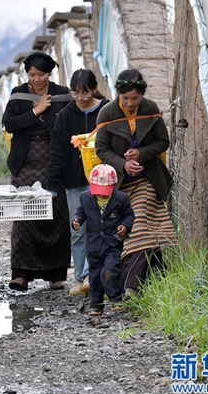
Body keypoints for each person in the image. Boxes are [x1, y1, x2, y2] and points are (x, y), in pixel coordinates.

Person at [95, 68, 176, 297]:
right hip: (120, 183)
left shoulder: (150, 109)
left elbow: (163, 141)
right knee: (145, 231)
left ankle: (130, 286)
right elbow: (101, 149)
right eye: (125, 98)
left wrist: (141, 153)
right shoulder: (107, 113)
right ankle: (157, 277)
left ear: (143, 94)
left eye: (135, 98)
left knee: (137, 225)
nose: (130, 103)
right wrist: (123, 164)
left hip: (147, 179)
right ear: (117, 94)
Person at [2, 52, 72, 291]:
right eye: (31, 74)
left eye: (41, 74)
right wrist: (35, 111)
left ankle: (56, 274)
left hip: (55, 162)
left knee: (56, 215)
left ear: (49, 73)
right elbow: (9, 124)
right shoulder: (19, 95)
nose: (36, 79)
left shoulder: (62, 94)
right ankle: (21, 274)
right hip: (25, 162)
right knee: (24, 215)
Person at [48, 69, 110, 296]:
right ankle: (79, 277)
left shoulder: (106, 110)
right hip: (74, 180)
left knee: (101, 227)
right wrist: (52, 182)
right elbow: (56, 149)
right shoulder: (66, 114)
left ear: (94, 89)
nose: (81, 98)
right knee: (78, 228)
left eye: (85, 92)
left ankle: (94, 275)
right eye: (75, 93)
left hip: (103, 179)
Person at [72, 164, 134, 315]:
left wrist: (125, 226)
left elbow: (129, 215)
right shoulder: (85, 197)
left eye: (105, 192)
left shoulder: (121, 198)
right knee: (94, 275)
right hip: (93, 244)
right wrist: (77, 221)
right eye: (98, 191)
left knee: (110, 270)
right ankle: (96, 305)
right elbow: (80, 212)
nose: (102, 195)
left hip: (113, 243)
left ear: (113, 186)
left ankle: (116, 299)